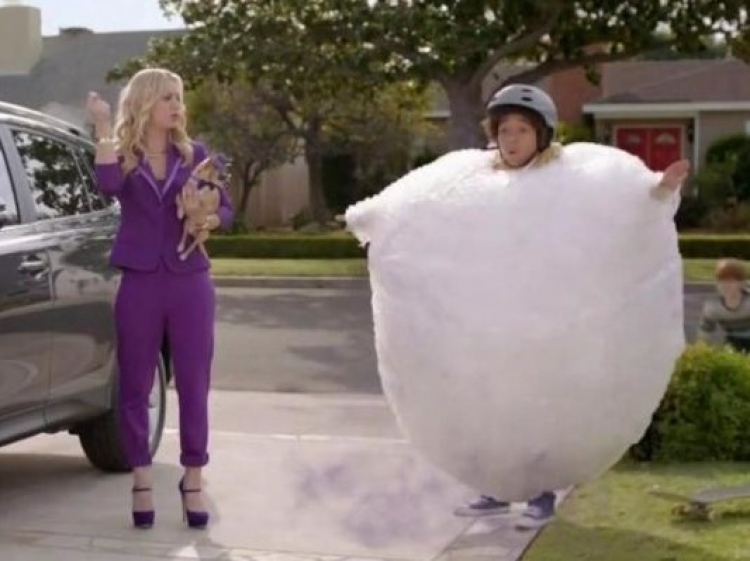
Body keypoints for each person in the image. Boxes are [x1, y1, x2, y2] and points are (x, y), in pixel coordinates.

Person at [450, 84, 688, 530]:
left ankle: (541, 495)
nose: (512, 139)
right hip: (498, 318)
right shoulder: (483, 178)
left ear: (541, 133)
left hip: (552, 318)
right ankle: (496, 489)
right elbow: (431, 212)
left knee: (542, 408)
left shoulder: (568, 176)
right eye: (505, 130)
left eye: (522, 130)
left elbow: (618, 200)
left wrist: (660, 189)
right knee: (496, 409)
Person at [85, 67, 233, 530]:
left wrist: (207, 220)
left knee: (193, 382)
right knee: (135, 383)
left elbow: (226, 209)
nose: (177, 106)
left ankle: (194, 479)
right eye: (167, 97)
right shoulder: (122, 156)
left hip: (190, 282)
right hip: (141, 281)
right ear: (146, 102)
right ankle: (142, 480)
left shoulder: (197, 156)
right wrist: (104, 128)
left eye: (179, 97)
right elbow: (107, 185)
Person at [697, 258, 750, 351]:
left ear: (742, 283)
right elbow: (705, 334)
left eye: (731, 281)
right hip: (734, 340)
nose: (726, 285)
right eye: (722, 280)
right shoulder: (713, 307)